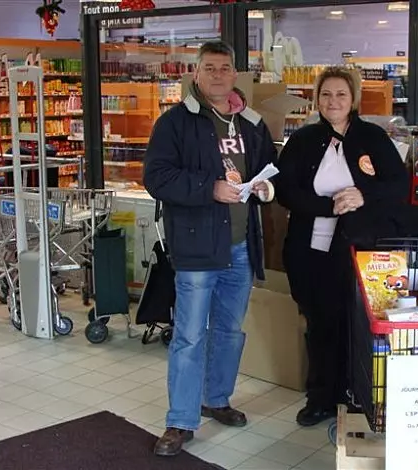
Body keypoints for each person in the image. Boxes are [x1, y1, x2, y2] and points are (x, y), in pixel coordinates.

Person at [143, 40, 277, 456]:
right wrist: (209, 188)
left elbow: (269, 169)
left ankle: (216, 399)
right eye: (210, 68)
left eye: (224, 68)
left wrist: (266, 189)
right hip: (197, 248)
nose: (218, 75)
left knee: (229, 332)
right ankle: (180, 421)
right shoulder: (175, 123)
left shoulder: (251, 123)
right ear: (196, 74)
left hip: (241, 247)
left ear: (234, 74)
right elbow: (156, 178)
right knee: (188, 336)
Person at [275, 66, 410, 427]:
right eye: (326, 94)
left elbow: (398, 185)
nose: (333, 101)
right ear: (316, 99)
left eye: (341, 94)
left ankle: (358, 394)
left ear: (353, 100)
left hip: (361, 251)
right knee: (320, 324)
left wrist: (362, 195)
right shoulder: (303, 140)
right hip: (310, 251)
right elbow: (285, 190)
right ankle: (320, 397)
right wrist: (328, 206)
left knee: (358, 323)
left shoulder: (372, 138)